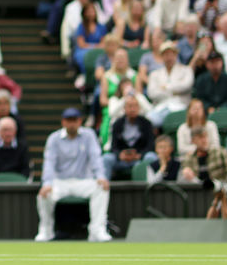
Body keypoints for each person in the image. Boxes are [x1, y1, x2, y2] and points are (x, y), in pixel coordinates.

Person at [36, 108, 111, 242]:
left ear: (80, 121)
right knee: (44, 194)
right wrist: (47, 184)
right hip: (61, 183)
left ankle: (97, 230)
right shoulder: (54, 138)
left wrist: (100, 176)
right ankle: (46, 231)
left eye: (74, 120)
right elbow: (49, 163)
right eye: (69, 121)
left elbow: (96, 158)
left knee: (101, 188)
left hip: (83, 182)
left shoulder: (89, 135)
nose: (72, 124)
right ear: (63, 122)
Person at [102, 95, 157, 180]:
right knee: (106, 158)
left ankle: (149, 187)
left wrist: (139, 155)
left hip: (140, 159)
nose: (132, 109)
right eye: (130, 106)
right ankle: (104, 189)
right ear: (124, 108)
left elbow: (150, 145)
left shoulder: (147, 123)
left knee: (151, 157)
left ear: (139, 108)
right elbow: (113, 147)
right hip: (122, 160)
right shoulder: (117, 124)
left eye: (135, 106)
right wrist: (120, 155)